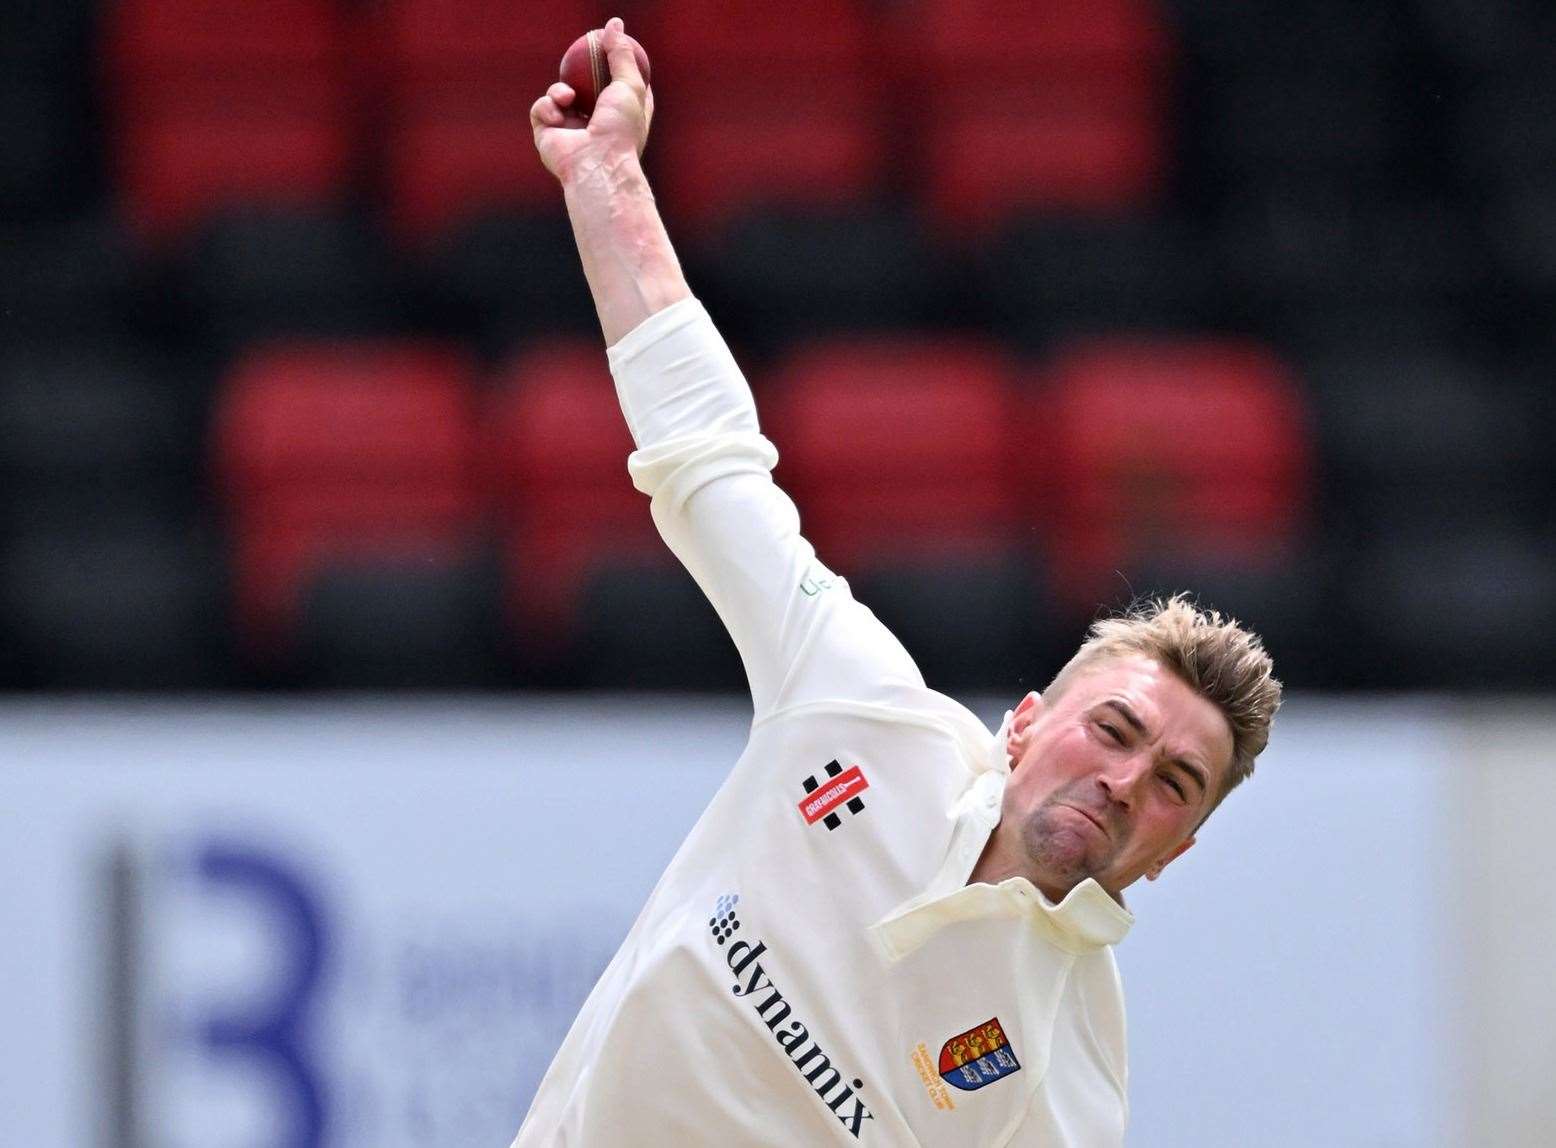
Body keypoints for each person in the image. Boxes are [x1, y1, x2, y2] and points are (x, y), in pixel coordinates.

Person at [513, 18, 1281, 1146]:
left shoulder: (1061, 1087)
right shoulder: (857, 703)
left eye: (1173, 782)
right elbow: (708, 459)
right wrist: (605, 176)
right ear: (1022, 722)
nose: (1123, 781)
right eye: (1112, 728)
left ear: (1178, 849)